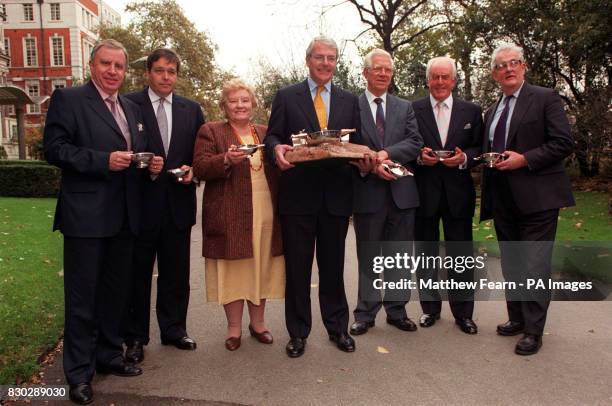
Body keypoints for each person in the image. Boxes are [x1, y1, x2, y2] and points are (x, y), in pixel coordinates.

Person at [43, 39, 163, 405]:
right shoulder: (69, 100)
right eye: (106, 64)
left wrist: (150, 164)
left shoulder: (129, 106)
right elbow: (54, 149)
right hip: (86, 218)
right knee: (83, 299)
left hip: (125, 216)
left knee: (115, 294)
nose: (113, 71)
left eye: (119, 66)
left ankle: (109, 355)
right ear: (92, 65)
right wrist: (101, 160)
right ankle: (79, 373)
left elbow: (132, 154)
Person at [265, 36, 372, 358]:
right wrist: (276, 149)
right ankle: (298, 333)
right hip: (298, 196)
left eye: (332, 58)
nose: (326, 63)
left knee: (333, 268)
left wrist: (365, 162)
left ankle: (337, 328)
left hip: (336, 197)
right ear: (308, 59)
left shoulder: (349, 100)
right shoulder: (287, 96)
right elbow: (273, 135)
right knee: (297, 270)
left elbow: (359, 141)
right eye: (320, 57)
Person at [480, 44, 574, 355]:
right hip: (503, 199)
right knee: (513, 263)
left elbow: (563, 142)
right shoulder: (492, 111)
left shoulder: (545, 97)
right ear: (495, 74)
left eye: (514, 63)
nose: (508, 68)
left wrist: (525, 159)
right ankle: (517, 318)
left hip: (539, 198)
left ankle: (534, 331)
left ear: (524, 66)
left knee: (534, 264)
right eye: (501, 65)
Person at [122, 48, 205, 363]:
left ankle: (174, 330)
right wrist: (143, 166)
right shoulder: (129, 104)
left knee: (176, 274)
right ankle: (135, 338)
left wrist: (194, 171)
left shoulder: (191, 110)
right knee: (138, 275)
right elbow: (120, 149)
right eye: (159, 70)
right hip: (140, 205)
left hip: (178, 205)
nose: (166, 76)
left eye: (171, 71)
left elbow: (200, 155)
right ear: (148, 73)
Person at [192, 79, 284, 351]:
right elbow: (199, 167)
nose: (240, 105)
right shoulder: (211, 131)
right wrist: (225, 160)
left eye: (245, 100)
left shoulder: (266, 133)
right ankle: (233, 330)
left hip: (266, 211)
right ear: (224, 105)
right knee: (234, 270)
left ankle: (258, 324)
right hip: (229, 211)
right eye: (234, 101)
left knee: (260, 267)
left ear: (253, 103)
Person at [349, 49, 423, 336]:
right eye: (377, 69)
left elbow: (415, 142)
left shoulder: (404, 107)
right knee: (369, 257)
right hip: (367, 192)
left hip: (402, 194)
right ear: (365, 72)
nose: (382, 74)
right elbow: (347, 146)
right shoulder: (351, 106)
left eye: (387, 70)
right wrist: (368, 165)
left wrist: (385, 154)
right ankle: (365, 314)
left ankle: (397, 310)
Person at [413, 56, 483, 334]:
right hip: (424, 193)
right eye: (435, 77)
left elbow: (480, 147)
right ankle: (430, 309)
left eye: (445, 77)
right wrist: (419, 156)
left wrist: (465, 157)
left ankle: (463, 313)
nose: (440, 82)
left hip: (458, 194)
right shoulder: (413, 109)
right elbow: (408, 144)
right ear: (428, 80)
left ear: (454, 80)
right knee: (426, 255)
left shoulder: (471, 111)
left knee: (460, 256)